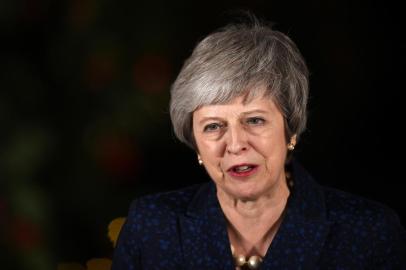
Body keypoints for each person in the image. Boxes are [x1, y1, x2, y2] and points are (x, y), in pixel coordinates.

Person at [112, 18, 406, 269]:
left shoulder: (367, 232)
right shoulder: (151, 227)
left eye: (254, 120)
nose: (236, 144)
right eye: (214, 126)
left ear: (290, 130)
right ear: (197, 145)